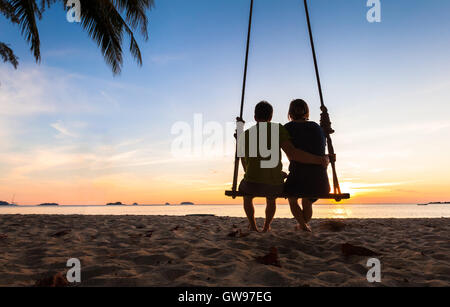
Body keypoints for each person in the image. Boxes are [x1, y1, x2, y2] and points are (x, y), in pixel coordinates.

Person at [238, 101, 328, 232]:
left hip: (251, 183)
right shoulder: (278, 129)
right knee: (271, 199)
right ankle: (266, 226)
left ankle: (252, 225)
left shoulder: (245, 135)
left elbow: (244, 162)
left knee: (247, 197)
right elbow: (291, 152)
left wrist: (251, 173)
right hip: (274, 185)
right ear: (271, 117)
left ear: (255, 117)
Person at [284, 99, 331, 232]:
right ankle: (303, 225)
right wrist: (323, 160)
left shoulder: (287, 128)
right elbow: (321, 151)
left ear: (290, 113)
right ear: (306, 111)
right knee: (307, 200)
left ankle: (303, 225)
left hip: (298, 180)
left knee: (292, 200)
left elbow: (293, 155)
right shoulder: (317, 127)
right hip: (320, 183)